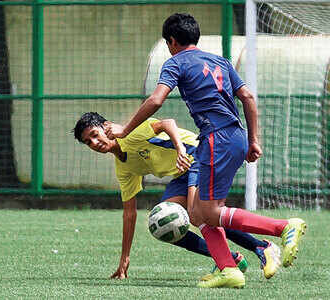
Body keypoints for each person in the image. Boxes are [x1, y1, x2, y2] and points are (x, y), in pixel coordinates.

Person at [104, 13, 306, 288]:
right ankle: (229, 269)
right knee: (199, 212)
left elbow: (156, 100)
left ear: (171, 41)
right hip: (236, 136)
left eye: (168, 43)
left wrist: (125, 129)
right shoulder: (220, 61)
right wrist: (254, 139)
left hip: (215, 139)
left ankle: (281, 228)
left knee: (209, 212)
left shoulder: (175, 62)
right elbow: (246, 96)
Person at [73, 112, 281, 281]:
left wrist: (180, 148)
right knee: (162, 223)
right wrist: (124, 258)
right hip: (182, 174)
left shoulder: (129, 133)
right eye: (88, 142)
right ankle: (231, 260)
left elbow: (167, 123)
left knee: (200, 213)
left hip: (197, 155)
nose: (94, 142)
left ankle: (262, 246)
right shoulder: (123, 168)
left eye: (94, 134)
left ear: (106, 126)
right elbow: (129, 214)